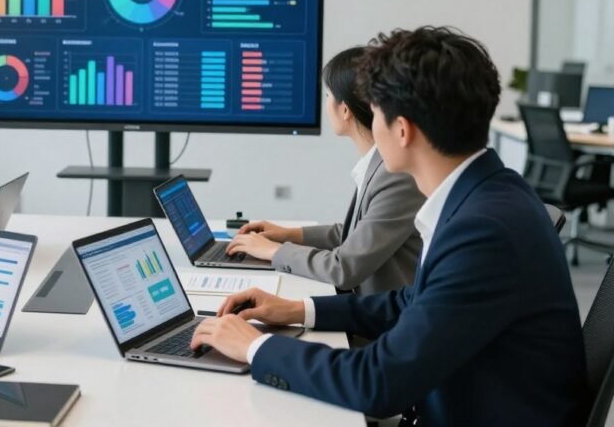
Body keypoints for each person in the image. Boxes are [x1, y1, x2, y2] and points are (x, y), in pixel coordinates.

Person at [191, 27, 586, 426]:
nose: (371, 128)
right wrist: (299, 309)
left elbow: (378, 383)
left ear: (402, 129)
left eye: (375, 112)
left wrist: (257, 347)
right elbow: (411, 302)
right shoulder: (488, 193)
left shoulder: (484, 230)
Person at [226, 47, 424, 295]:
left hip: (380, 324)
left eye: (328, 95)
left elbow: (344, 268)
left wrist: (272, 251)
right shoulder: (377, 165)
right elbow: (358, 233)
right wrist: (289, 234)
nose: (326, 103)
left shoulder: (395, 175)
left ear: (345, 110)